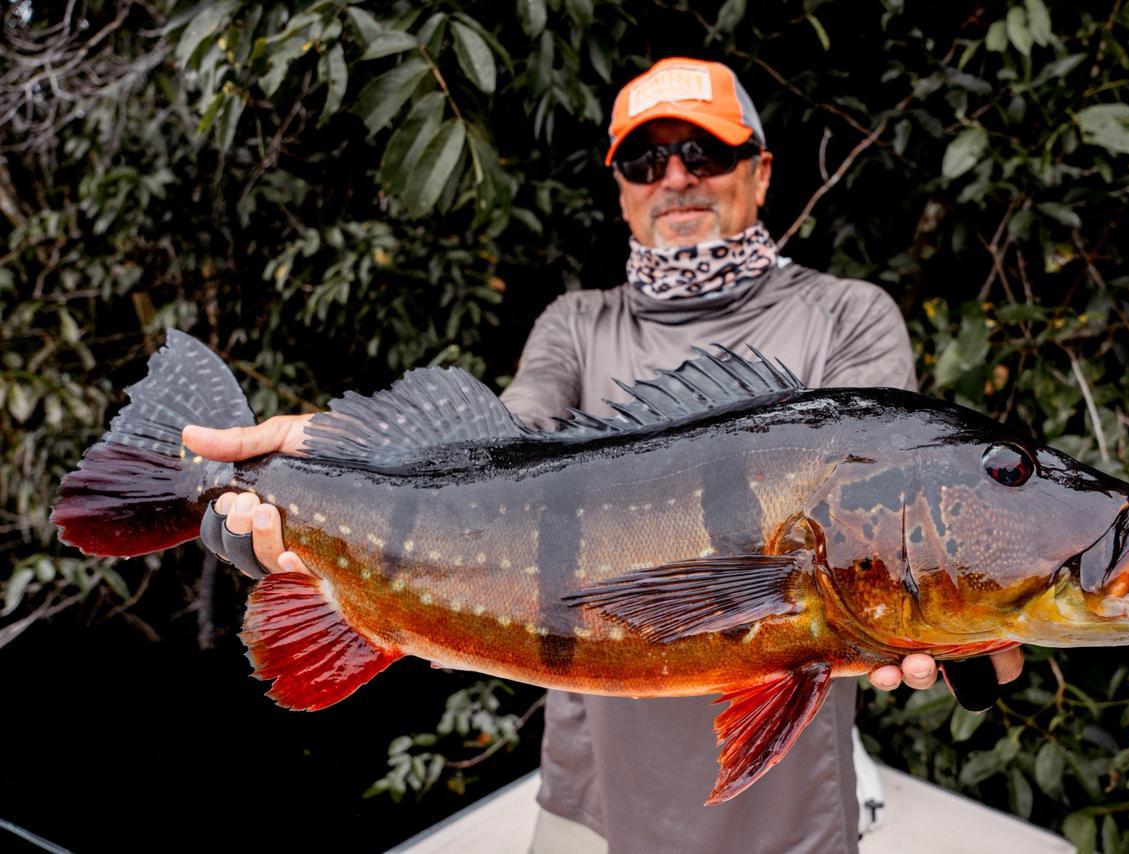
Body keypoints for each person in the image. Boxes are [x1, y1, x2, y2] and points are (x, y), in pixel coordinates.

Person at [185, 57, 1023, 853]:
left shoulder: (847, 316)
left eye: (704, 152)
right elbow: (491, 461)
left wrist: (965, 620)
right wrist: (316, 479)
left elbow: (896, 529)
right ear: (621, 188)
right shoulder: (577, 325)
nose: (676, 177)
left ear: (761, 171)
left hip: (791, 802)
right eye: (645, 161)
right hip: (591, 795)